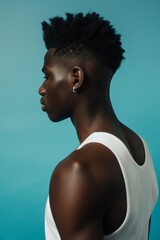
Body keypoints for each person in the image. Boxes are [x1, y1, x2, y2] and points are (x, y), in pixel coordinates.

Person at [39, 12, 158, 240]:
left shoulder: (79, 170)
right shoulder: (142, 148)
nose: (42, 89)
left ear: (76, 78)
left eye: (47, 76)